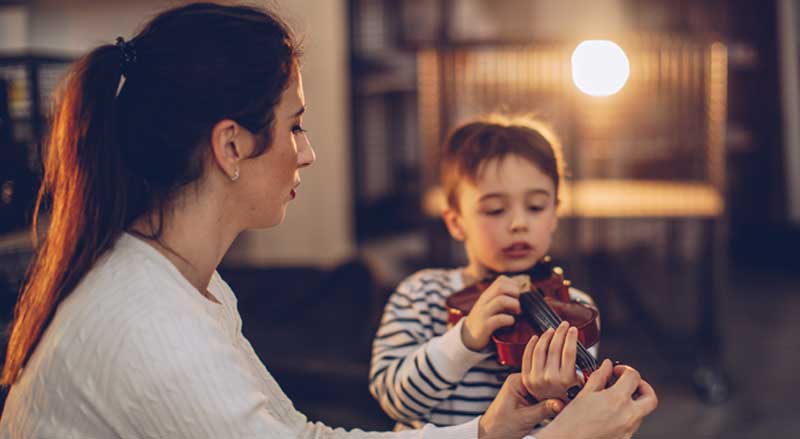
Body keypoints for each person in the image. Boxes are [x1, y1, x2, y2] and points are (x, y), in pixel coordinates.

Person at [0, 3, 657, 438]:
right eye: (296, 125)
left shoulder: (185, 283)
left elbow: (302, 434)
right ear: (230, 147)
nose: (308, 151)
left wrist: (485, 430)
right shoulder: (150, 328)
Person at [369, 116, 601, 430]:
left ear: (554, 214)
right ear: (456, 222)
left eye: (535, 207)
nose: (519, 223)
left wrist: (556, 395)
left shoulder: (574, 308)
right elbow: (394, 400)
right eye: (494, 210)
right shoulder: (421, 295)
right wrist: (464, 340)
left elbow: (579, 423)